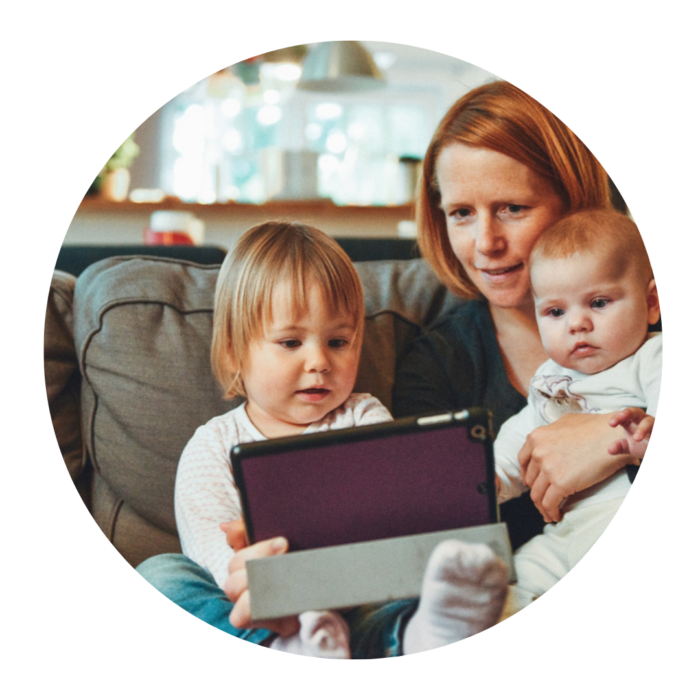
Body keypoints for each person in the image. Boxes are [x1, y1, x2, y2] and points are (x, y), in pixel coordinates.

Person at [138, 221, 394, 660]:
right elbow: (214, 558)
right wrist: (272, 587)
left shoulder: (365, 418)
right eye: (291, 342)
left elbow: (391, 523)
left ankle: (357, 641)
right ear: (235, 350)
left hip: (356, 598)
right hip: (253, 607)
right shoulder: (213, 445)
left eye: (338, 341)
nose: (319, 361)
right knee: (159, 575)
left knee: (417, 592)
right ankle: (278, 649)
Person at [490, 207, 660, 623]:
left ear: (651, 303)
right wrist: (486, 479)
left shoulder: (654, 357)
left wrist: (639, 436)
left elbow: (682, 426)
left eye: (598, 303)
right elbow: (523, 438)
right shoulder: (550, 379)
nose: (577, 324)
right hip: (562, 534)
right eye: (555, 312)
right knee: (509, 590)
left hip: (635, 527)